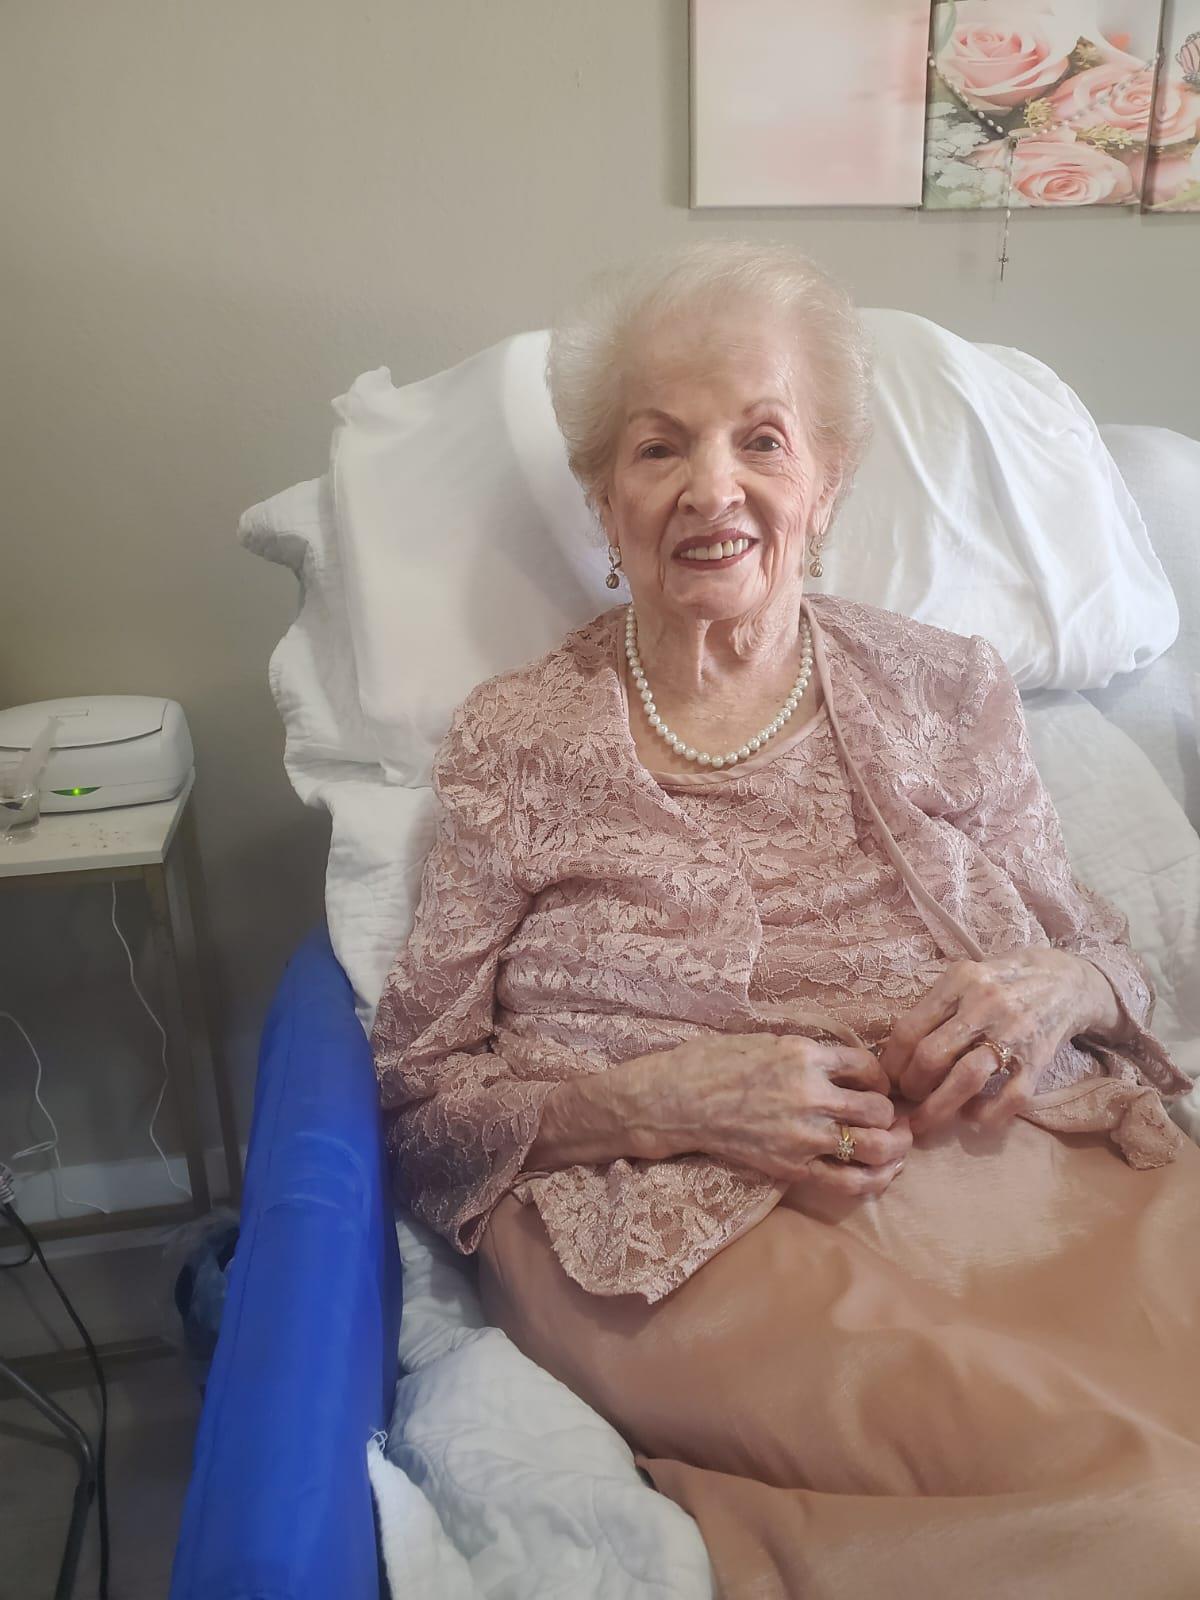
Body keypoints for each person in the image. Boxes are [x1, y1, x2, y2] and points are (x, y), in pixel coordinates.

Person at [371, 241, 1200, 1598]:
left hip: (1024, 1175)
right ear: (602, 497)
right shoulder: (517, 742)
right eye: (657, 448)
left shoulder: (948, 689)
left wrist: (1053, 988)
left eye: (762, 438)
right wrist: (656, 1103)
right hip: (688, 1231)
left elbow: (1106, 953)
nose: (714, 488)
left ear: (826, 482)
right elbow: (415, 1102)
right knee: (1141, 1509)